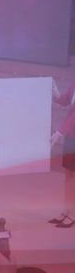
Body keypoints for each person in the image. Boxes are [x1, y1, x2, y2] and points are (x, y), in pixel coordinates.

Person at [48, 79, 75, 228]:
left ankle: (73, 213)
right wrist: (57, 95)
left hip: (71, 134)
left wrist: (59, 131)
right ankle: (67, 210)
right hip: (71, 136)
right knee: (68, 175)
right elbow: (66, 101)